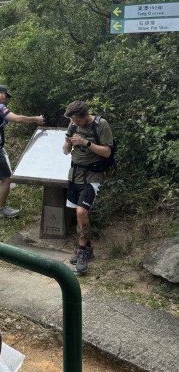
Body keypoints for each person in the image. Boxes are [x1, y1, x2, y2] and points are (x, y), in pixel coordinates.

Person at [0, 85, 45, 220]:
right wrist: (35, 119)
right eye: (6, 95)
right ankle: (1, 210)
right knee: (7, 178)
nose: (6, 99)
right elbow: (17, 119)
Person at [62, 100, 114, 275]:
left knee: (81, 212)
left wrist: (86, 143)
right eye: (72, 120)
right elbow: (65, 151)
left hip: (92, 175)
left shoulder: (101, 124)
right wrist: (68, 142)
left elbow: (107, 152)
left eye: (77, 120)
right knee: (79, 214)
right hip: (74, 174)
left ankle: (82, 251)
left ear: (85, 115)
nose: (74, 123)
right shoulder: (73, 125)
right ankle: (88, 248)